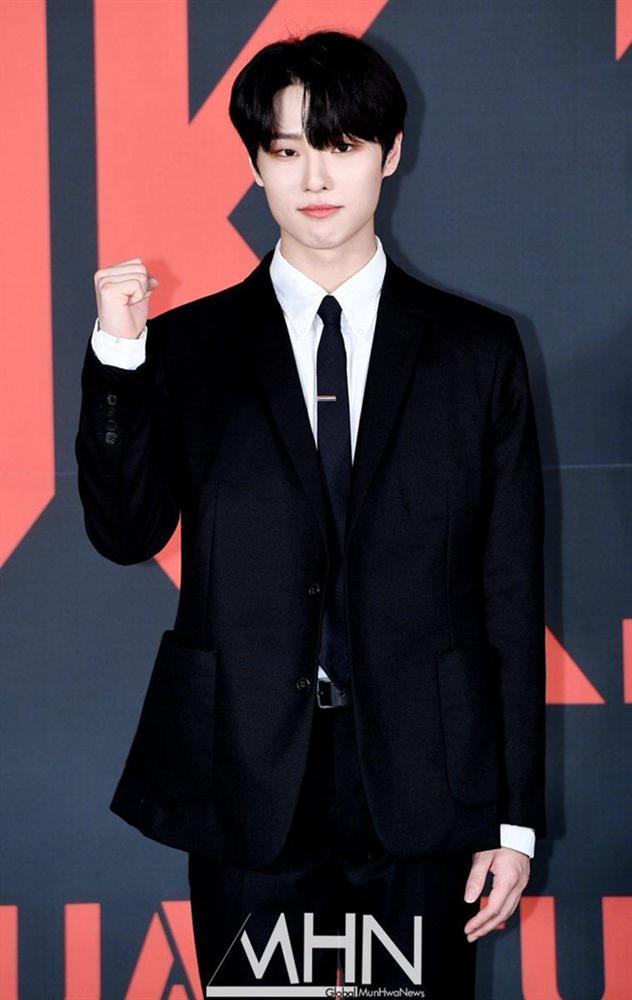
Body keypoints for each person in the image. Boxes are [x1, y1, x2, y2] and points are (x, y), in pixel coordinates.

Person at [75, 29, 546, 999]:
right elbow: (124, 534)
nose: (315, 177)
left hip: (426, 777)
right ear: (255, 164)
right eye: (287, 149)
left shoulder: (475, 352)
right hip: (247, 774)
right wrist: (118, 364)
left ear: (391, 153)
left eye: (340, 145)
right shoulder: (187, 348)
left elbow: (508, 588)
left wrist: (513, 816)